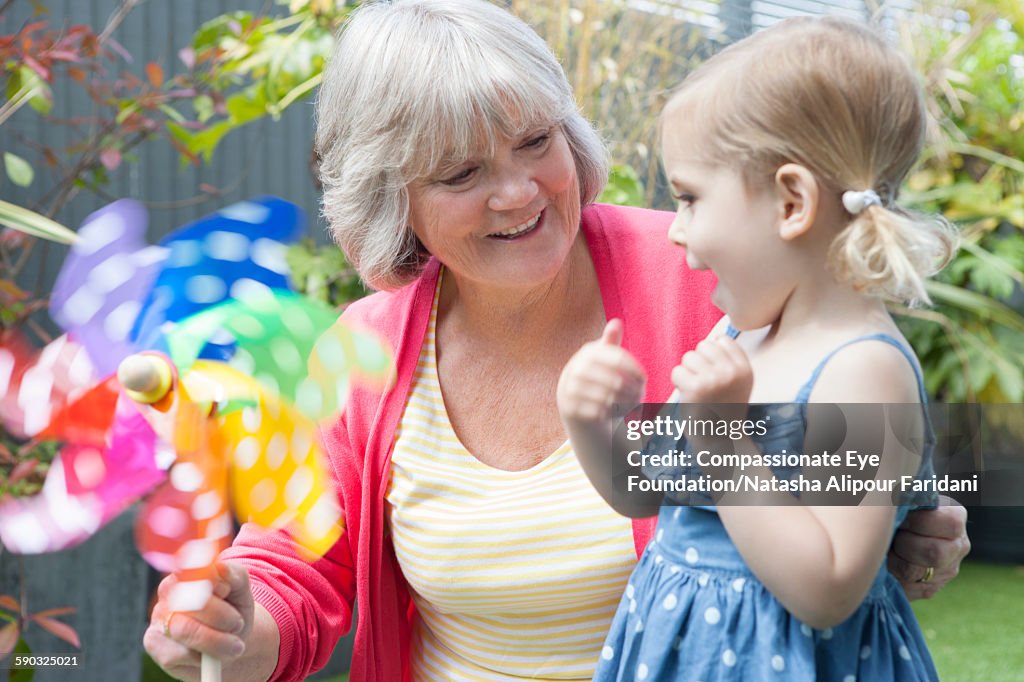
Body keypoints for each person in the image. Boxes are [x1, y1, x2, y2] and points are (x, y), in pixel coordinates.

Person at [142, 2, 970, 681]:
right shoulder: (362, 354)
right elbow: (295, 570)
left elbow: (844, 441)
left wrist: (909, 517)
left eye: (536, 141)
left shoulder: (716, 282)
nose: (517, 192)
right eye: (461, 174)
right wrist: (227, 624)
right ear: (394, 201)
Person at [557, 15, 959, 681]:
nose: (677, 232)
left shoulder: (865, 370)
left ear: (791, 202)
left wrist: (723, 442)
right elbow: (644, 493)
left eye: (690, 198)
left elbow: (829, 590)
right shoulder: (741, 334)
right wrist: (589, 422)